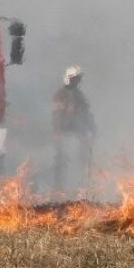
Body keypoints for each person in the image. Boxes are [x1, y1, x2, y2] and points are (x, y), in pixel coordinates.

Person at [52, 65, 96, 195]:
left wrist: (91, 128)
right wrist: (57, 131)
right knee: (62, 160)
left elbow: (86, 113)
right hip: (64, 132)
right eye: (74, 79)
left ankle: (82, 187)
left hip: (79, 132)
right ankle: (59, 189)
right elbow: (57, 115)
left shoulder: (79, 95)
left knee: (83, 159)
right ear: (69, 78)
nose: (77, 81)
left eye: (78, 79)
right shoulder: (60, 95)